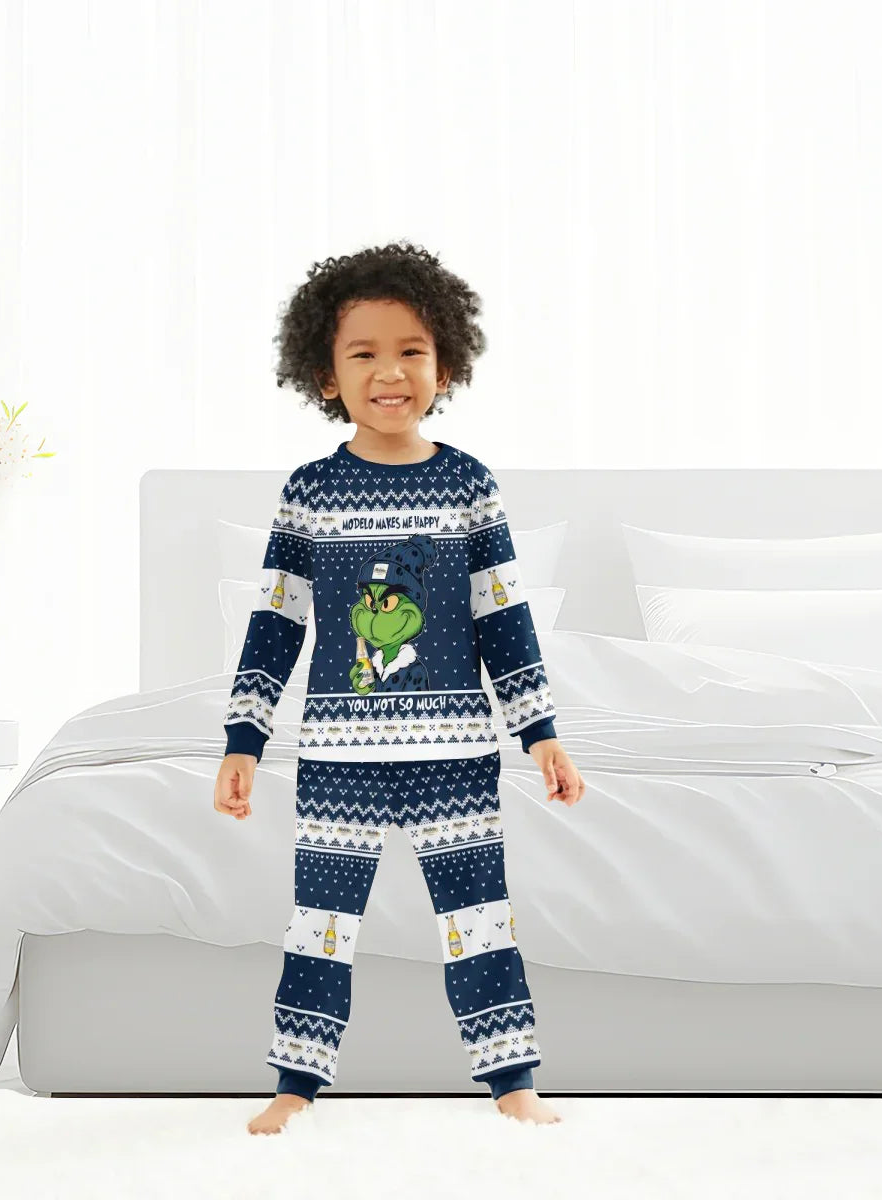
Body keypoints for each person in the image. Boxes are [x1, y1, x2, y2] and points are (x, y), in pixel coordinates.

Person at [213, 241, 585, 1136]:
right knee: (320, 926)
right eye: (364, 354)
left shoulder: (468, 486)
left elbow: (504, 619)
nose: (390, 372)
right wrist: (243, 739)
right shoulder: (311, 492)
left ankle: (514, 1084)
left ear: (446, 364)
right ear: (325, 375)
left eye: (411, 351)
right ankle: (295, 1083)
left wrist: (540, 732)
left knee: (480, 922)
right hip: (339, 761)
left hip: (456, 755)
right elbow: (277, 622)